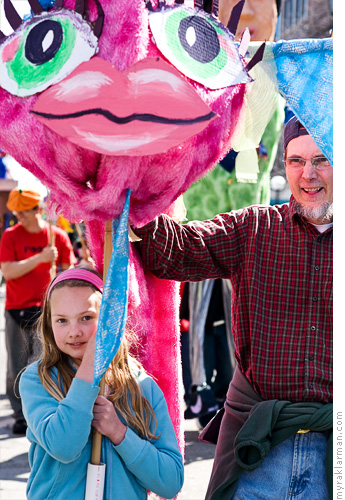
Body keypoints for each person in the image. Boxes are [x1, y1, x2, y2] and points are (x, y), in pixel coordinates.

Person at [133, 116, 333, 500]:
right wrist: (132, 176)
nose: (307, 174)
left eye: (322, 159)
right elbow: (173, 252)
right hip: (258, 453)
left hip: (334, 455)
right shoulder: (255, 229)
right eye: (295, 161)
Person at [18, 267, 184, 500]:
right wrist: (90, 367)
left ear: (110, 320)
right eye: (62, 320)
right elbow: (64, 446)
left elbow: (170, 482)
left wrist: (120, 433)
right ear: (49, 324)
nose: (74, 331)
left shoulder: (142, 387)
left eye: (86, 318)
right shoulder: (38, 380)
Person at [0, 188, 76, 434]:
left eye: (24, 213)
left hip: (48, 312)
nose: (19, 218)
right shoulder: (10, 236)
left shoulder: (58, 236)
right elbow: (8, 272)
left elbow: (68, 273)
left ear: (37, 210)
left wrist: (60, 272)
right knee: (16, 367)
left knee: (45, 363)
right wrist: (41, 258)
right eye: (17, 213)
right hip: (17, 309)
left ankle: (43, 411)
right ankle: (20, 415)